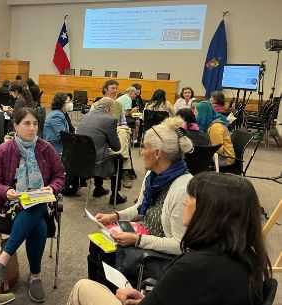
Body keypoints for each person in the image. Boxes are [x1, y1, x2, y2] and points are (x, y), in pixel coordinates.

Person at [68, 172, 272, 305]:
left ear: (209, 211)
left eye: (191, 197)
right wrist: (145, 299)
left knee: (83, 288)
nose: (185, 201)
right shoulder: (248, 257)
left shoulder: (192, 266)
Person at [87, 116, 193, 289]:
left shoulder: (183, 188)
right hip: (145, 238)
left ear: (157, 153)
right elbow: (140, 208)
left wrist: (137, 240)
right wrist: (115, 216)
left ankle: (108, 296)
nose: (142, 153)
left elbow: (179, 245)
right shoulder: (153, 177)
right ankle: (96, 294)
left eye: (144, 147)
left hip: (163, 257)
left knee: (108, 255)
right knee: (97, 243)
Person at [0, 108, 65, 303]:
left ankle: (3, 258)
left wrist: (51, 189)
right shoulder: (2, 151)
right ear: (15, 126)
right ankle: (35, 276)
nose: (32, 128)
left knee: (36, 205)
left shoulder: (46, 148)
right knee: (37, 222)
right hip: (11, 204)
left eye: (35, 124)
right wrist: (6, 191)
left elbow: (60, 176)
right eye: (27, 124)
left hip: (41, 202)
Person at [77, 98, 125, 203]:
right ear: (109, 107)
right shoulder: (110, 120)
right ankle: (115, 195)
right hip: (96, 163)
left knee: (98, 149)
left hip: (80, 161)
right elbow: (116, 147)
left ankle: (99, 188)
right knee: (119, 158)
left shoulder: (85, 116)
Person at [195, 101, 235, 166]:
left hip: (224, 159)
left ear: (203, 114)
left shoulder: (215, 127)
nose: (195, 114)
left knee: (193, 160)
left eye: (197, 112)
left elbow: (218, 150)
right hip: (217, 156)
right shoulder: (209, 122)